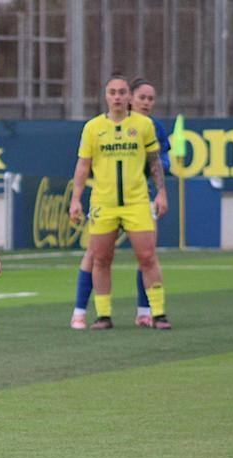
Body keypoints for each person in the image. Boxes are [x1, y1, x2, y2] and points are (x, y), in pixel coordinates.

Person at [68, 75, 170, 330]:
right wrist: (76, 199)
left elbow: (155, 161)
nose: (117, 97)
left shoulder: (144, 125)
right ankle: (103, 315)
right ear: (105, 96)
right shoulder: (93, 128)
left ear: (128, 97)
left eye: (122, 92)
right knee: (101, 259)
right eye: (112, 92)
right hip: (104, 202)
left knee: (147, 256)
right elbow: (83, 165)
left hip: (136, 201)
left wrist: (161, 192)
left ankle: (157, 313)